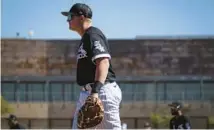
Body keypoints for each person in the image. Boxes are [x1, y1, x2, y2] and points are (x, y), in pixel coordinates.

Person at [61, 3, 122, 129]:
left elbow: (103, 61)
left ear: (81, 17)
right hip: (88, 92)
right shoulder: (85, 37)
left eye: (70, 17)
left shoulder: (93, 34)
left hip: (101, 91)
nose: (68, 20)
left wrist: (95, 92)